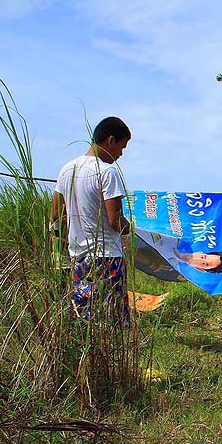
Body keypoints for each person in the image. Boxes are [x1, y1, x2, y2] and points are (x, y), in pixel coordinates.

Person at [50, 116, 132, 323]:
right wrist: (129, 227)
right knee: (110, 321)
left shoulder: (67, 170)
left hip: (78, 257)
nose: (121, 154)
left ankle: (85, 356)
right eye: (122, 147)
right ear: (110, 140)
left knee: (85, 318)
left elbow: (56, 215)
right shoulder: (107, 172)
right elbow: (115, 221)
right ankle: (108, 357)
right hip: (107, 258)